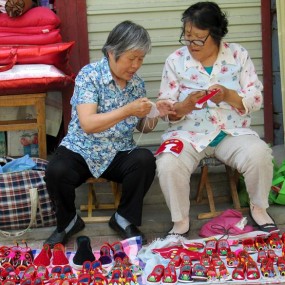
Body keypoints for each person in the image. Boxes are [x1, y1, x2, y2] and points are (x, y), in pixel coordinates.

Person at [44, 20, 174, 247]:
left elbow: (142, 127)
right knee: (56, 170)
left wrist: (156, 114)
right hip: (82, 148)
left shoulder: (137, 84)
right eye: (131, 58)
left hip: (118, 151)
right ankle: (67, 222)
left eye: (140, 59)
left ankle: (124, 218)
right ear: (112, 53)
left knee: (144, 160)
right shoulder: (90, 75)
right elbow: (88, 124)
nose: (135, 65)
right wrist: (127, 110)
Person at [155, 1, 279, 236]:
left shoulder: (238, 55)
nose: (191, 44)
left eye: (198, 38)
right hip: (188, 133)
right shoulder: (175, 60)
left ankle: (259, 209)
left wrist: (228, 95)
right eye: (187, 37)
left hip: (232, 132)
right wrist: (185, 105)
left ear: (216, 35)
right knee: (168, 162)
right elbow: (166, 107)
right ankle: (180, 222)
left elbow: (255, 98)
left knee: (259, 154)